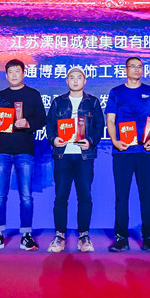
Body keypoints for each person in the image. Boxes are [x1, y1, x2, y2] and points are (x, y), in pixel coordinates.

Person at [0, 58, 46, 251]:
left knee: (26, 196)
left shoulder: (33, 94)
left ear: (23, 74)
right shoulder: (0, 95)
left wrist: (28, 123)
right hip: (2, 150)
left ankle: (26, 235)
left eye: (17, 71)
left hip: (24, 150)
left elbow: (42, 119)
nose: (13, 75)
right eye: (10, 72)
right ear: (6, 75)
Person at [105, 56, 150, 252]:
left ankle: (149, 237)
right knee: (122, 195)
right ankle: (121, 237)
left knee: (146, 194)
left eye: (140, 66)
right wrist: (115, 141)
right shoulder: (116, 92)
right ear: (126, 69)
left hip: (144, 151)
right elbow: (110, 120)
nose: (137, 69)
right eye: (133, 66)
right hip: (122, 152)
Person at [44, 66, 105, 253]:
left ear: (85, 81)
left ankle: (83, 236)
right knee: (61, 197)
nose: (76, 80)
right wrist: (54, 139)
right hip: (62, 155)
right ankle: (59, 236)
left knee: (85, 196)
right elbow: (50, 126)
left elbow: (99, 127)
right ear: (67, 81)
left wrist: (91, 141)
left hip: (84, 156)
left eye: (79, 77)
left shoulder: (93, 102)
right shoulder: (58, 102)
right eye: (72, 77)